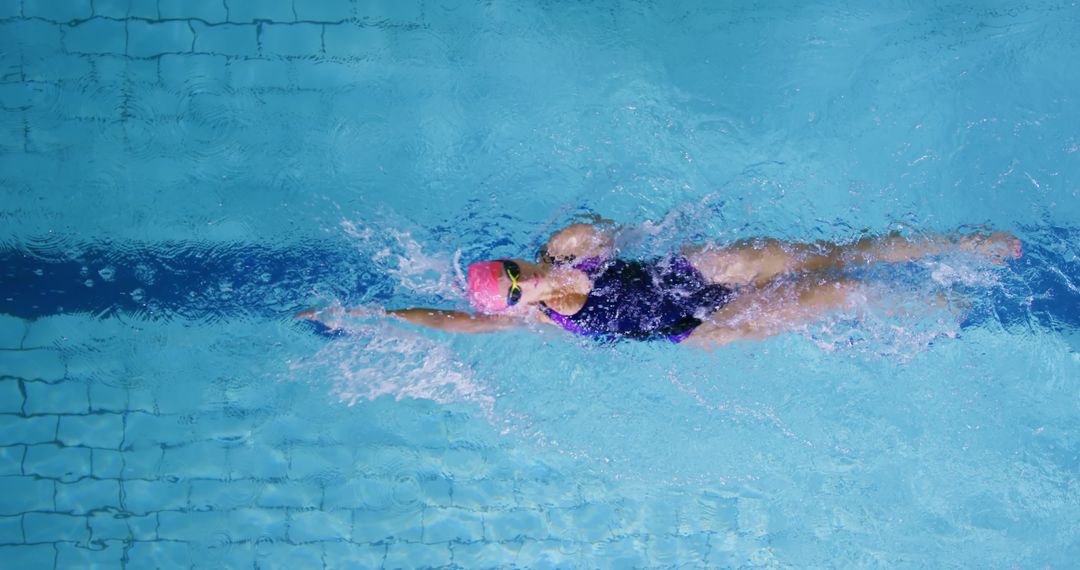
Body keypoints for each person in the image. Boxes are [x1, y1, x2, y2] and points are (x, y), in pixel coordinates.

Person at [298, 222, 1021, 347]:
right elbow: (453, 323)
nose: (529, 286)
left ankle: (961, 247)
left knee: (825, 257)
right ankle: (936, 308)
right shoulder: (532, 321)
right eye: (516, 289)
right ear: (516, 304)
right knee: (833, 297)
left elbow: (607, 233)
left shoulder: (566, 251)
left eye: (515, 271)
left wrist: (567, 259)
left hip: (694, 273)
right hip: (694, 329)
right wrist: (372, 313)